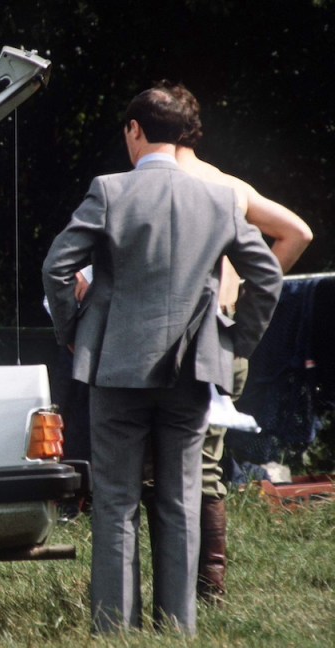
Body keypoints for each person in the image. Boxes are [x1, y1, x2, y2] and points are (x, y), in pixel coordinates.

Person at [42, 87, 282, 635]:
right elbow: (266, 277)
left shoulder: (109, 190)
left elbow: (57, 268)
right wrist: (234, 342)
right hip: (192, 371)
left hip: (115, 369)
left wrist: (73, 334)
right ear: (184, 135)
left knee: (116, 502)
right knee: (180, 499)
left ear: (134, 130)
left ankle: (114, 629)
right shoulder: (221, 200)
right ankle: (179, 628)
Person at [154, 80, 314, 605]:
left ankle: (190, 588)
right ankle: (208, 585)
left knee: (168, 468)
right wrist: (242, 290)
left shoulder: (156, 182)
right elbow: (297, 233)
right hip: (224, 339)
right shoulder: (229, 185)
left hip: (168, 342)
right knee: (206, 465)